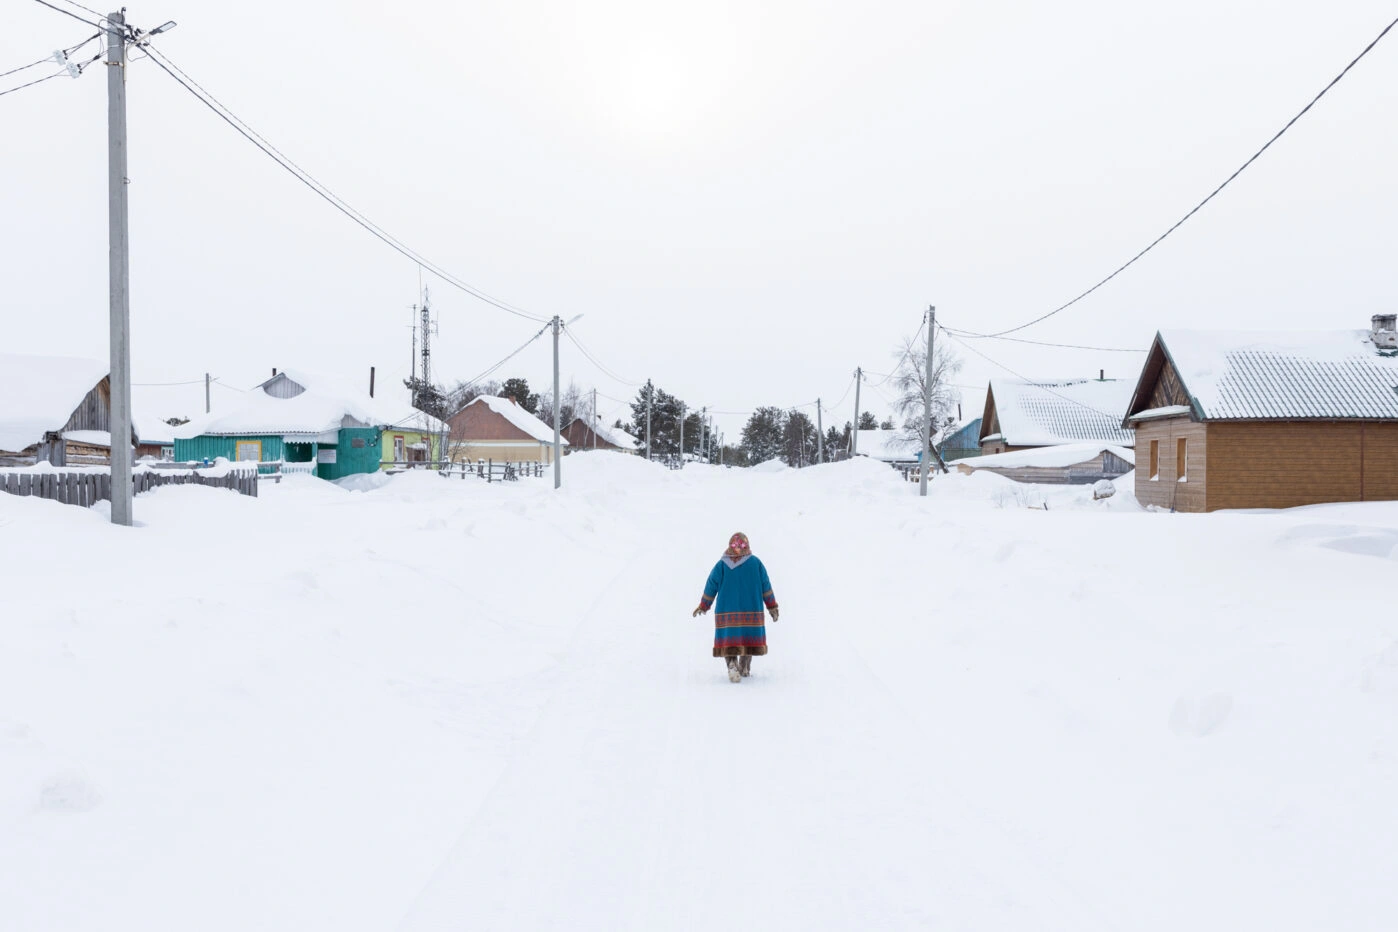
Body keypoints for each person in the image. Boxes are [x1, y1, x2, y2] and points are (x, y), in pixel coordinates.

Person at [692, 532, 779, 683]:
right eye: (736, 546)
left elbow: (711, 584)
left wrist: (704, 605)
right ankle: (744, 667)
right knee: (747, 638)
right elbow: (766, 586)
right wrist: (772, 606)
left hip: (727, 612)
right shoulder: (755, 563)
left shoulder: (722, 565)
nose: (738, 549)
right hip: (750, 610)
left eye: (740, 546)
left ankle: (732, 665)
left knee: (729, 640)